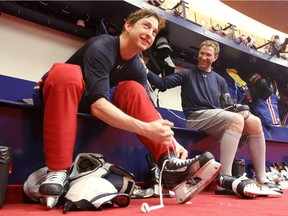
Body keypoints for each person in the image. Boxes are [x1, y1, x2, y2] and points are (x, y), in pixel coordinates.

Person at [34, 9, 218, 206]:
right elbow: (98, 107)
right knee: (67, 73)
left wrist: (172, 142)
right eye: (146, 26)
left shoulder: (138, 67)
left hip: (89, 101)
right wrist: (144, 128)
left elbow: (147, 109)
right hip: (58, 94)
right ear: (128, 26)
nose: (150, 34)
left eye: (155, 32)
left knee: (134, 89)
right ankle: (57, 172)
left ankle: (169, 166)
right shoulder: (102, 46)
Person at [147, 39, 282, 194]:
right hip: (195, 117)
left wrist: (237, 109)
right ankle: (224, 179)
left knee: (255, 122)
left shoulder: (220, 80)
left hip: (215, 118)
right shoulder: (187, 74)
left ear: (215, 57)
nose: (203, 57)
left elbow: (226, 105)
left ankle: (262, 178)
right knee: (237, 119)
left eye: (208, 55)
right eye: (201, 53)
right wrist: (144, 69)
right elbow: (162, 84)